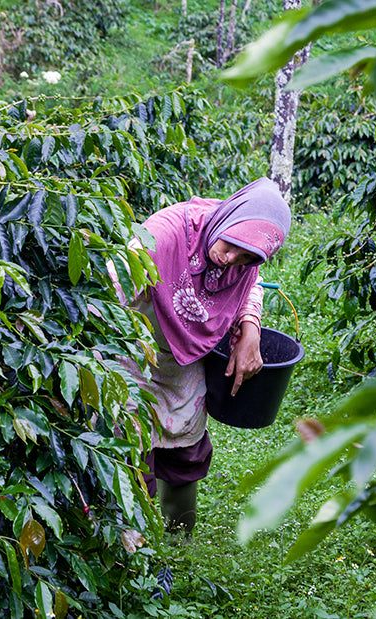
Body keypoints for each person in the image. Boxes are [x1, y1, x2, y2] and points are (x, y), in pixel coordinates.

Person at [124, 177, 291, 533]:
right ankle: (130, 549)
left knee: (186, 449)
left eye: (246, 257)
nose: (232, 259)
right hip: (132, 356)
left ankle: (179, 540)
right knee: (131, 451)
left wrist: (251, 327)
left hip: (183, 361)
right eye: (232, 246)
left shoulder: (243, 258)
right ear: (228, 218)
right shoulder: (165, 233)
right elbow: (115, 284)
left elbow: (252, 282)